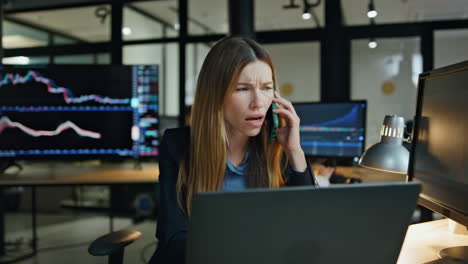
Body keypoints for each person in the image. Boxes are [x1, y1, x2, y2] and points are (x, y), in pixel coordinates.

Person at [149, 36, 316, 264]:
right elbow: (173, 236)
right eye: (242, 89)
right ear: (216, 95)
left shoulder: (277, 146)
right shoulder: (177, 145)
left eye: (267, 88)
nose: (258, 102)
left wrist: (295, 151)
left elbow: (307, 227)